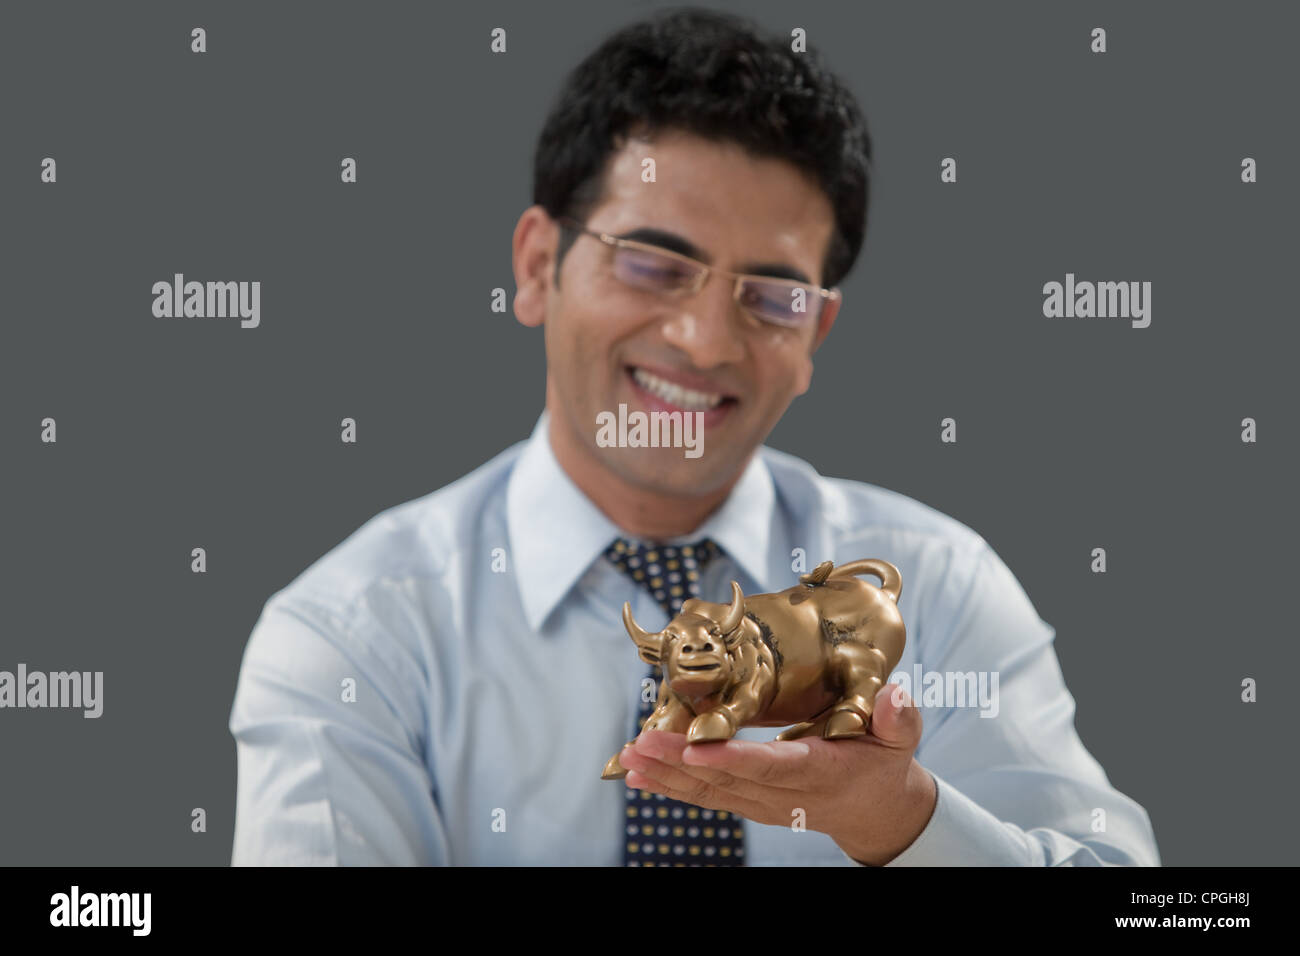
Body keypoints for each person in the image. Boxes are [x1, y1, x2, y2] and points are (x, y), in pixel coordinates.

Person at [228, 7, 1159, 866]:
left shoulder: (943, 593)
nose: (707, 341)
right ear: (539, 266)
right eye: (654, 264)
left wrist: (907, 824)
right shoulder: (356, 635)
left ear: (813, 338)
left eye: (772, 296)